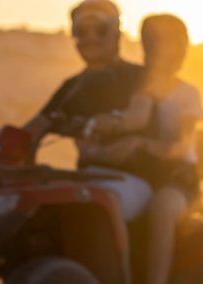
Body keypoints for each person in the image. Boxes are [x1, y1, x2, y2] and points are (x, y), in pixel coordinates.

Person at [84, 13, 203, 284]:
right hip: (141, 174)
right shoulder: (134, 90)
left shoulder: (186, 94)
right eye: (149, 41)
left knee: (162, 208)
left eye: (163, 41)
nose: (154, 49)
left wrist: (140, 142)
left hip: (178, 178)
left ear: (180, 47)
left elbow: (181, 147)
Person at [22, 0, 152, 222]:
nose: (90, 38)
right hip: (87, 177)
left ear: (117, 32)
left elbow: (138, 116)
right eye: (81, 31)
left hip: (132, 178)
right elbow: (35, 127)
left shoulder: (140, 76)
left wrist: (115, 122)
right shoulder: (72, 86)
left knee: (92, 211)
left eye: (100, 30)